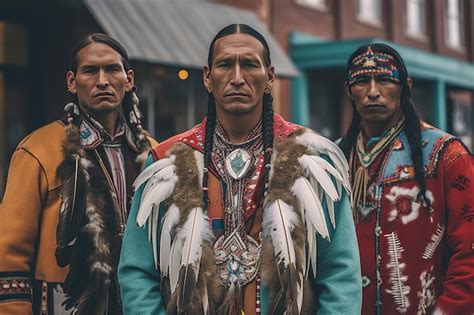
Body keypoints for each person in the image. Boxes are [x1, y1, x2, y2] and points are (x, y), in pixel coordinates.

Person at [118, 23, 361, 315]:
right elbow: (136, 272)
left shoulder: (313, 160)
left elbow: (340, 274)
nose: (236, 78)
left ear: (269, 77)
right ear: (208, 77)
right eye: (224, 65)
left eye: (249, 64)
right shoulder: (165, 161)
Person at [0, 33, 156, 314]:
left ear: (129, 79)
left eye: (111, 69)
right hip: (67, 303)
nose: (102, 81)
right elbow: (10, 251)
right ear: (72, 81)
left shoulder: (153, 153)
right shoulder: (38, 150)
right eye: (90, 70)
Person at [339, 43, 474, 314]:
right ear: (348, 90)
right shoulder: (333, 158)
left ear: (405, 86)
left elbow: (469, 249)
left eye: (386, 80)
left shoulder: (445, 154)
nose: (373, 92)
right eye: (362, 81)